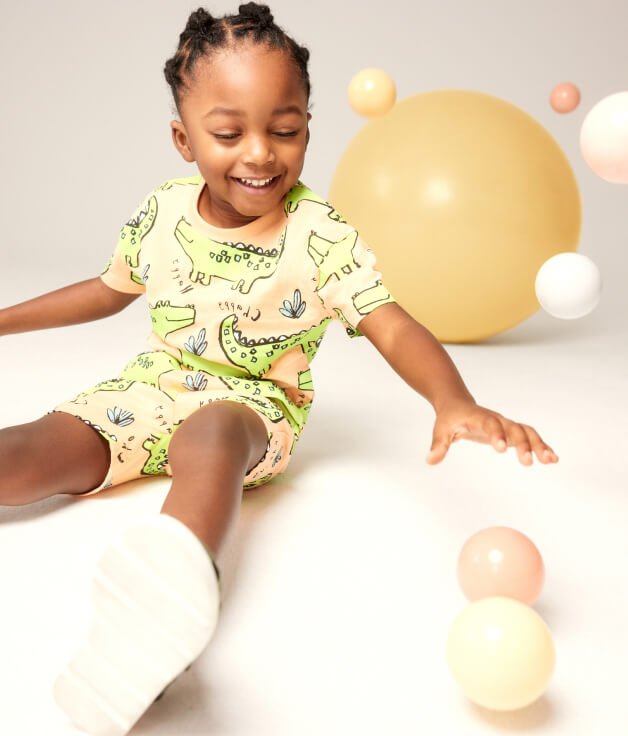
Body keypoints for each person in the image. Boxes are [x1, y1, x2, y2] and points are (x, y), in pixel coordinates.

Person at [0, 3, 559, 734]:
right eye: (229, 134)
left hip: (252, 408)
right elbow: (106, 290)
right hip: (146, 390)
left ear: (306, 130)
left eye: (285, 130)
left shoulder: (319, 235)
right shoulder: (163, 214)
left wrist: (451, 399)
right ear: (184, 138)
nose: (260, 153)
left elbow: (390, 324)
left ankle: (170, 595)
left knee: (211, 437)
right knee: (31, 451)